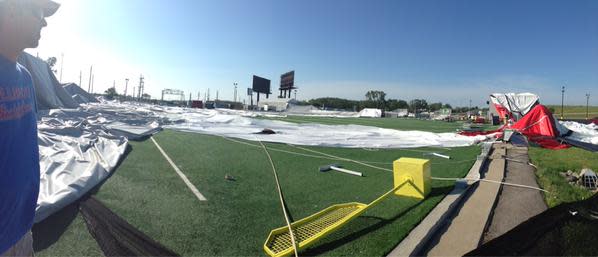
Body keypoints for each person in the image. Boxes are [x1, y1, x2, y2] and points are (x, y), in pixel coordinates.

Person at [0, 0, 59, 256]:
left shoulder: (25, 77)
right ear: (12, 8)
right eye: (39, 12)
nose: (44, 21)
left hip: (22, 229)